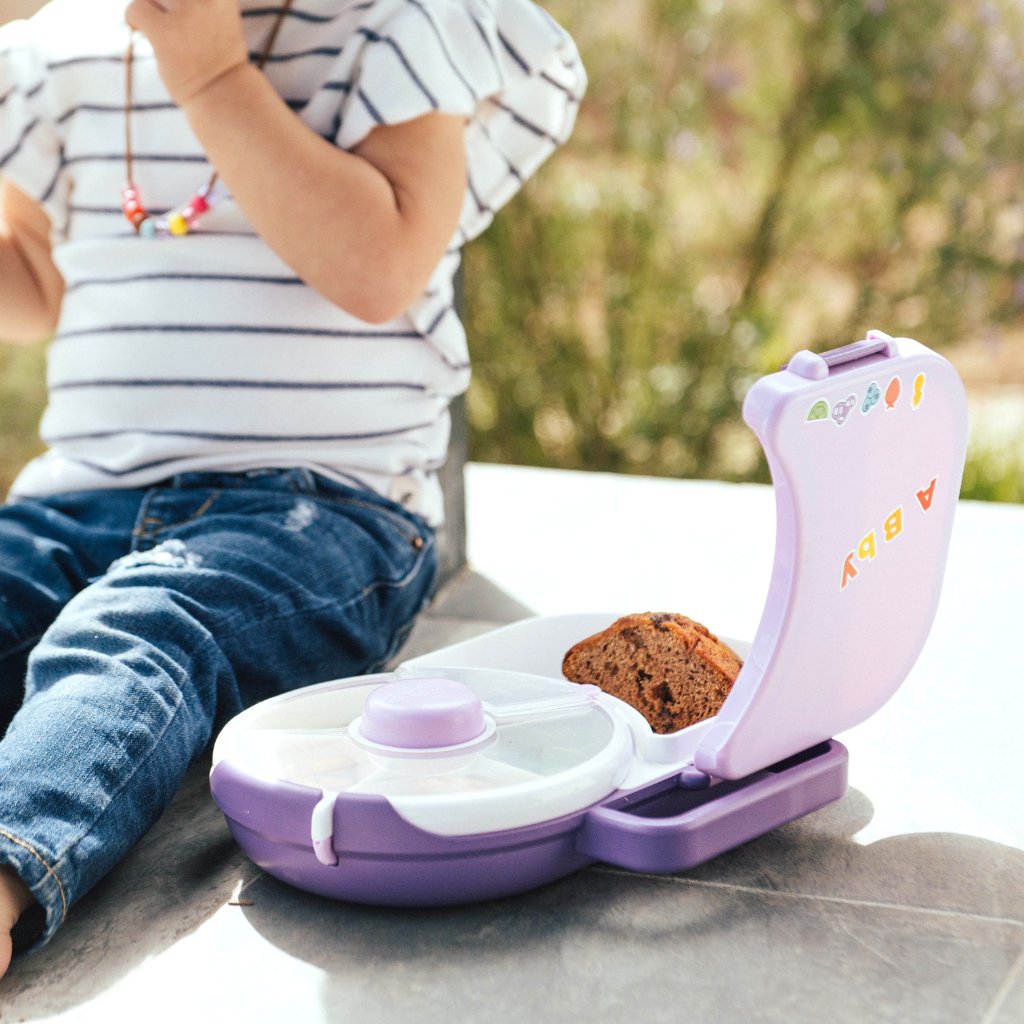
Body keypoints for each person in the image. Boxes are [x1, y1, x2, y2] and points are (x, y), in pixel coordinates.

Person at [0, 0, 584, 974]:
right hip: (80, 497)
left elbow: (380, 269)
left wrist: (212, 76)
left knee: (143, 627)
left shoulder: (394, 29)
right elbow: (32, 277)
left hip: (317, 514)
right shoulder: (63, 52)